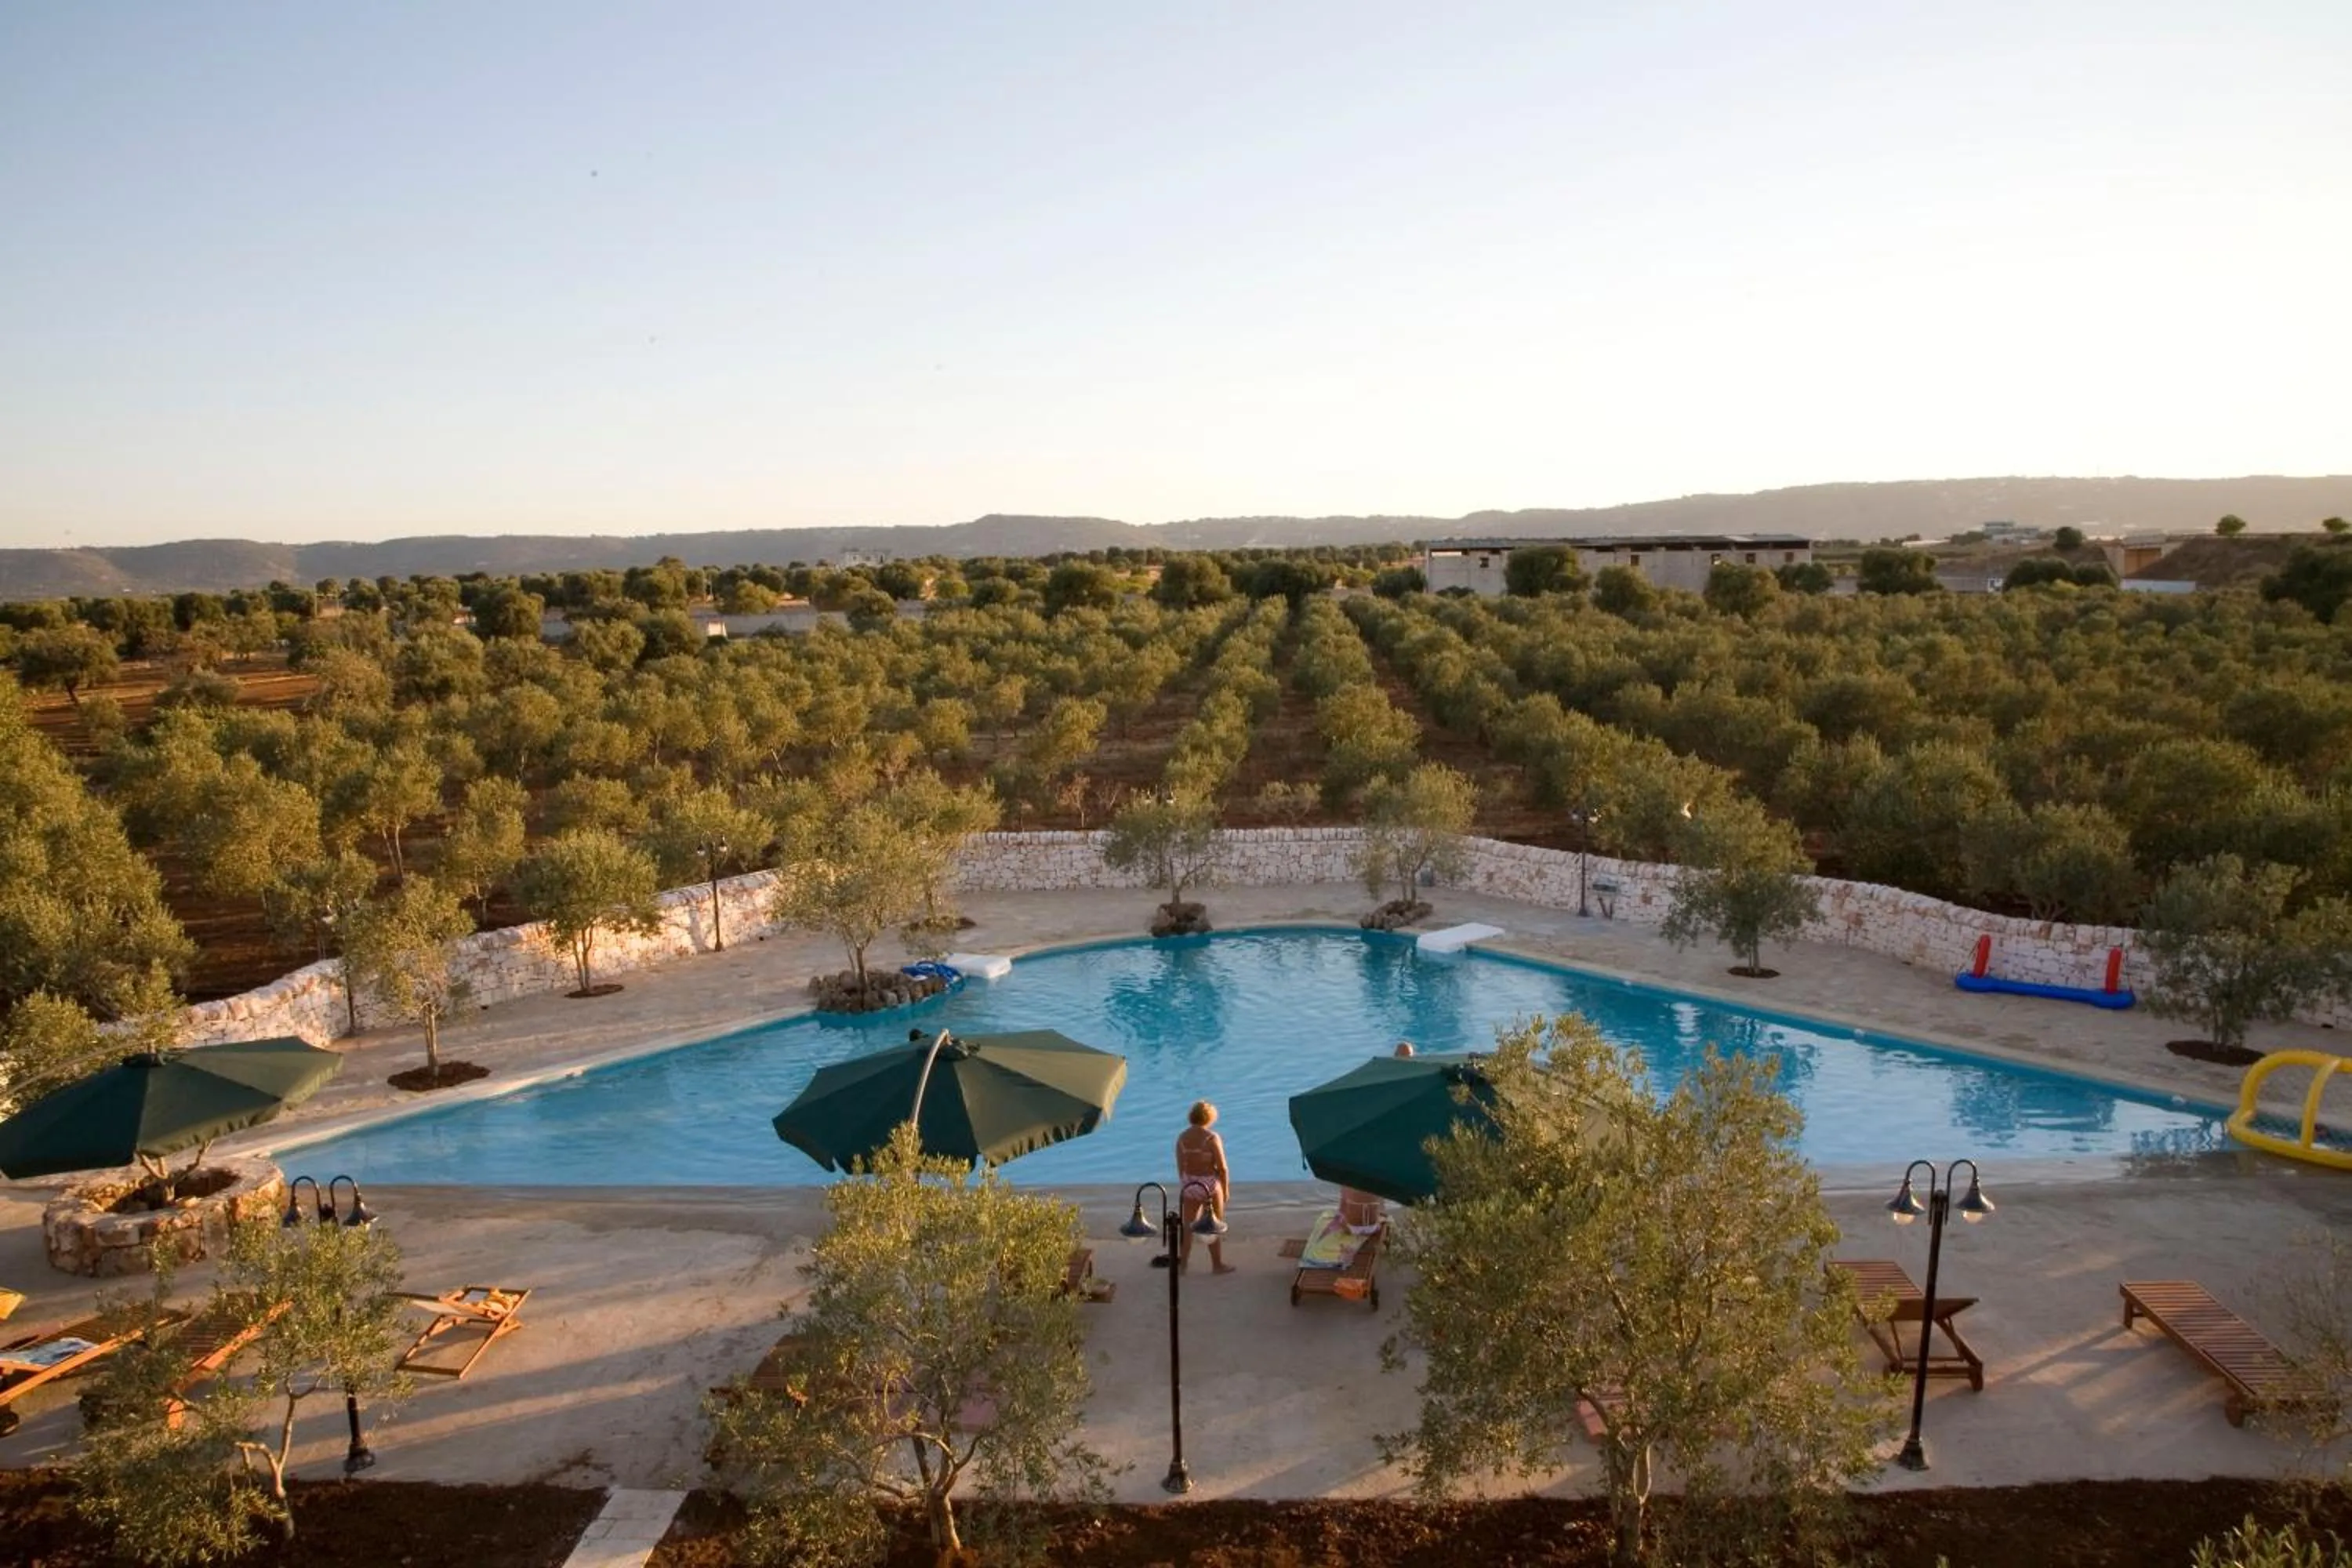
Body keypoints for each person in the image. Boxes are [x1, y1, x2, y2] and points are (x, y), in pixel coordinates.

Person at [1175, 1101, 1236, 1274]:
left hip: (1190, 1183)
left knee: (1187, 1227)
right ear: (1209, 1117)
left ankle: (1183, 1265)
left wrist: (1187, 1183)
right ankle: (1217, 1265)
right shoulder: (1211, 1138)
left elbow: (1181, 1166)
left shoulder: (1182, 1138)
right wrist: (1226, 1190)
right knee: (1213, 1225)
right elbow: (1222, 1168)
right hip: (1209, 1184)